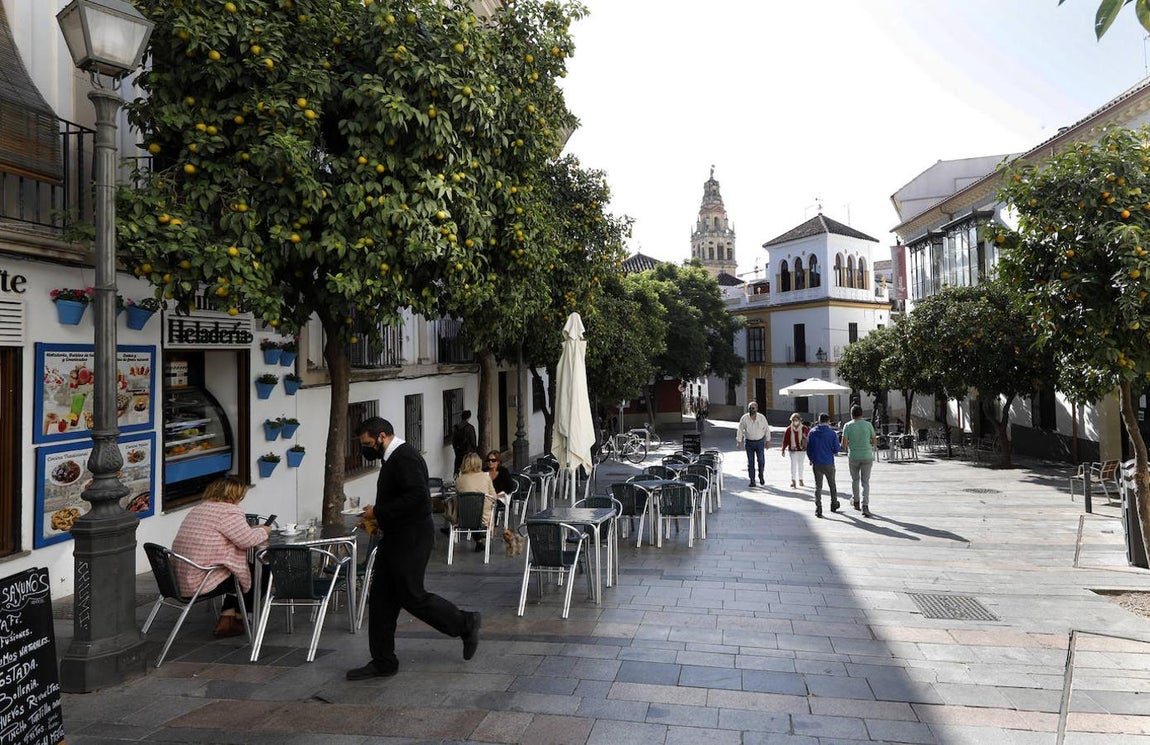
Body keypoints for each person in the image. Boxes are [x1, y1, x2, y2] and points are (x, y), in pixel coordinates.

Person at [347, 416, 480, 680]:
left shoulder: (404, 457)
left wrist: (379, 511)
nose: (366, 449)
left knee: (412, 595)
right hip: (396, 537)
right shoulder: (394, 457)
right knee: (382, 600)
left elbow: (418, 499)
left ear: (382, 436)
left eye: (368, 443)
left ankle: (465, 623)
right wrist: (374, 518)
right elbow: (401, 499)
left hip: (412, 539)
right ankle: (384, 661)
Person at [170, 475, 271, 638]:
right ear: (235, 494)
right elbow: (247, 541)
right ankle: (240, 616)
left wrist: (251, 530)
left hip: (179, 577)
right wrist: (263, 531)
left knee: (240, 572)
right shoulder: (228, 511)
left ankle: (229, 615)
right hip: (201, 578)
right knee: (261, 571)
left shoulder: (199, 508)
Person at [452, 452, 499, 551]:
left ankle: (479, 541)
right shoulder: (486, 477)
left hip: (464, 518)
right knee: (484, 508)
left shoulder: (459, 480)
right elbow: (494, 497)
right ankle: (486, 535)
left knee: (470, 507)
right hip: (482, 518)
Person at [841, 404, 878, 517]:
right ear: (862, 414)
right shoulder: (868, 425)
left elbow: (844, 444)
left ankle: (856, 501)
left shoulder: (847, 426)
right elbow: (874, 441)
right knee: (865, 482)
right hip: (867, 456)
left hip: (853, 456)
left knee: (855, 480)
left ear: (851, 415)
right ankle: (865, 505)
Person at [806, 412, 841, 518]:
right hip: (829, 462)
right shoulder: (832, 433)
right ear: (828, 421)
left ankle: (818, 508)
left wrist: (811, 458)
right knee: (832, 485)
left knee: (818, 487)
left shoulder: (812, 432)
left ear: (819, 420)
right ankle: (834, 504)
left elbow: (808, 448)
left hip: (817, 463)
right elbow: (836, 449)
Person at [735, 401, 769, 486]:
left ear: (757, 409)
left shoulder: (761, 418)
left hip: (759, 442)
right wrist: (739, 441)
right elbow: (740, 429)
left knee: (761, 460)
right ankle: (752, 480)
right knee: (750, 462)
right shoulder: (744, 418)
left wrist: (768, 440)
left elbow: (767, 429)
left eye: (753, 408)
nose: (751, 409)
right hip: (749, 442)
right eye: (750, 408)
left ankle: (761, 475)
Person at [780, 412, 809, 488]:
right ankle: (793, 480)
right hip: (792, 450)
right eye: (793, 420)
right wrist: (783, 449)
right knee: (793, 465)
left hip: (801, 450)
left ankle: (801, 479)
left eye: (796, 420)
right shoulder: (789, 429)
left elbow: (809, 440)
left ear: (800, 420)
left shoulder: (804, 429)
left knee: (801, 465)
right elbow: (785, 440)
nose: (795, 421)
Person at [451, 410, 477, 476]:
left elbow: (453, 440)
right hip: (467, 451)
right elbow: (473, 441)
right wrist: (474, 450)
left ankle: (455, 477)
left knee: (457, 465)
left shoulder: (456, 427)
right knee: (467, 467)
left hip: (458, 450)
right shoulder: (470, 428)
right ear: (469, 417)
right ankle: (465, 480)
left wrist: (456, 448)